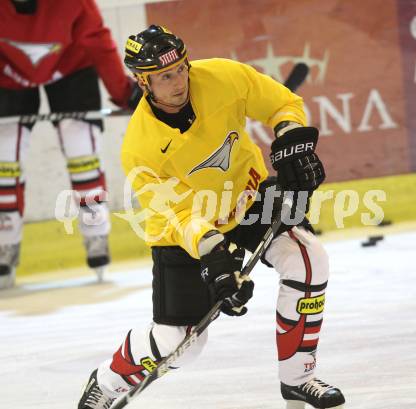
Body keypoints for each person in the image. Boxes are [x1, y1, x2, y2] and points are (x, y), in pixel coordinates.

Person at [77, 25, 345, 409]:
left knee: (308, 257)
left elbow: (281, 103)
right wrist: (216, 259)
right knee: (181, 346)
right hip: (183, 234)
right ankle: (107, 382)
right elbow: (178, 214)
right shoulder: (140, 147)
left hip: (245, 201)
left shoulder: (223, 76)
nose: (179, 81)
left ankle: (299, 378)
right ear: (144, 81)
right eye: (165, 76)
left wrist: (290, 140)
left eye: (181, 68)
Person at [0, 0, 141, 288]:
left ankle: (95, 232)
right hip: (6, 71)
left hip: (72, 65)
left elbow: (99, 42)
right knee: (4, 152)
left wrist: (123, 92)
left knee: (81, 144)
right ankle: (5, 239)